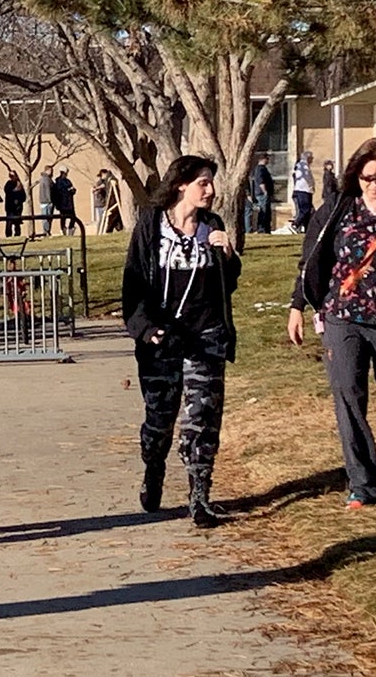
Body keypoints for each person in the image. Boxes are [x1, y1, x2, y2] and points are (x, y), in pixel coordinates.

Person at [122, 155, 241, 528]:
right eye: (203, 183)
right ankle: (153, 467)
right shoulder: (151, 227)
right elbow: (133, 285)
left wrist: (227, 255)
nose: (210, 190)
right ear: (180, 186)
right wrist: (145, 328)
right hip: (163, 341)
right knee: (160, 420)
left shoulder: (213, 225)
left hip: (206, 337)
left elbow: (228, 284)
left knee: (203, 419)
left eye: (211, 182)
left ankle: (200, 495)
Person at [288, 137, 376, 509]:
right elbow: (312, 257)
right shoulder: (340, 208)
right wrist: (297, 305)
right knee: (349, 397)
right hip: (342, 317)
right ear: (356, 175)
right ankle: (362, 483)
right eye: (367, 177)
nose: (374, 185)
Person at [250, 154, 275, 234]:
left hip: (263, 194)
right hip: (262, 194)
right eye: (267, 159)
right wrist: (265, 191)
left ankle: (266, 229)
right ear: (264, 159)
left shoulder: (262, 169)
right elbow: (260, 180)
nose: (268, 161)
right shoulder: (260, 169)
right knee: (263, 212)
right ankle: (262, 229)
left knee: (266, 211)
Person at [292, 150, 315, 231]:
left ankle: (307, 228)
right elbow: (307, 178)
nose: (312, 159)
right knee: (305, 209)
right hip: (303, 190)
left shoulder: (303, 166)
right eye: (311, 158)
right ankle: (295, 224)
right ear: (307, 158)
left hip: (304, 190)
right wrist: (311, 186)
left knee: (308, 211)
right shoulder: (303, 166)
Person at [52, 167, 78, 236]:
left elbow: (71, 189)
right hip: (63, 203)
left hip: (69, 202)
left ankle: (70, 230)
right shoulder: (58, 182)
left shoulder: (68, 181)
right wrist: (68, 190)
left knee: (73, 217)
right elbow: (58, 193)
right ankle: (63, 231)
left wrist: (72, 190)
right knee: (63, 218)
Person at [4, 170, 26, 237]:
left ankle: (17, 234)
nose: (13, 177)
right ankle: (8, 234)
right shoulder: (8, 184)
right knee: (9, 221)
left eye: (14, 175)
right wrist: (16, 190)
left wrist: (20, 200)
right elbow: (8, 192)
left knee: (17, 222)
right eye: (11, 176)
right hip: (10, 206)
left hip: (18, 207)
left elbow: (24, 196)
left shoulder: (19, 184)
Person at [38, 165, 54, 236]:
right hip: (47, 201)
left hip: (42, 200)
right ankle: (47, 231)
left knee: (45, 217)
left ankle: (46, 231)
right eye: (51, 170)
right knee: (47, 217)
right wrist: (50, 200)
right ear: (47, 170)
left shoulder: (42, 179)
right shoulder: (47, 179)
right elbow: (48, 190)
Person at [93, 170, 109, 236]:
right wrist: (98, 188)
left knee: (103, 219)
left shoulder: (104, 182)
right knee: (100, 219)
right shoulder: (99, 183)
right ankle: (99, 232)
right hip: (100, 204)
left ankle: (103, 231)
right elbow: (101, 187)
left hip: (103, 203)